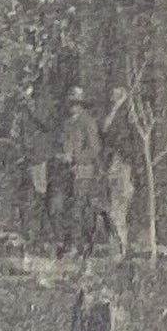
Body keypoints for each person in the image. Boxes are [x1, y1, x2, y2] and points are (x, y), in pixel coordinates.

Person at [56, 86, 107, 259]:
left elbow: (94, 149)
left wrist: (75, 156)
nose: (72, 107)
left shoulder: (88, 122)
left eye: (76, 103)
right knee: (66, 208)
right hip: (67, 171)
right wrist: (62, 155)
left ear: (81, 105)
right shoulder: (67, 123)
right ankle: (70, 243)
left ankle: (81, 246)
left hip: (83, 171)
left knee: (79, 208)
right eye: (70, 103)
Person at [10, 77, 55, 253]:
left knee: (40, 197)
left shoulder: (41, 101)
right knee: (23, 197)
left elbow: (45, 122)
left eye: (24, 86)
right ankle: (25, 236)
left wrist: (30, 104)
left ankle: (42, 237)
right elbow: (15, 130)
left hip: (38, 158)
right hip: (23, 157)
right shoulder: (18, 105)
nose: (21, 90)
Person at [100, 83, 135, 261]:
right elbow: (105, 130)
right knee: (111, 211)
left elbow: (116, 135)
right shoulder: (113, 113)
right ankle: (117, 249)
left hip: (122, 167)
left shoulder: (127, 114)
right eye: (113, 93)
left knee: (118, 211)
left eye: (117, 94)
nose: (114, 96)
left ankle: (121, 249)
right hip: (112, 166)